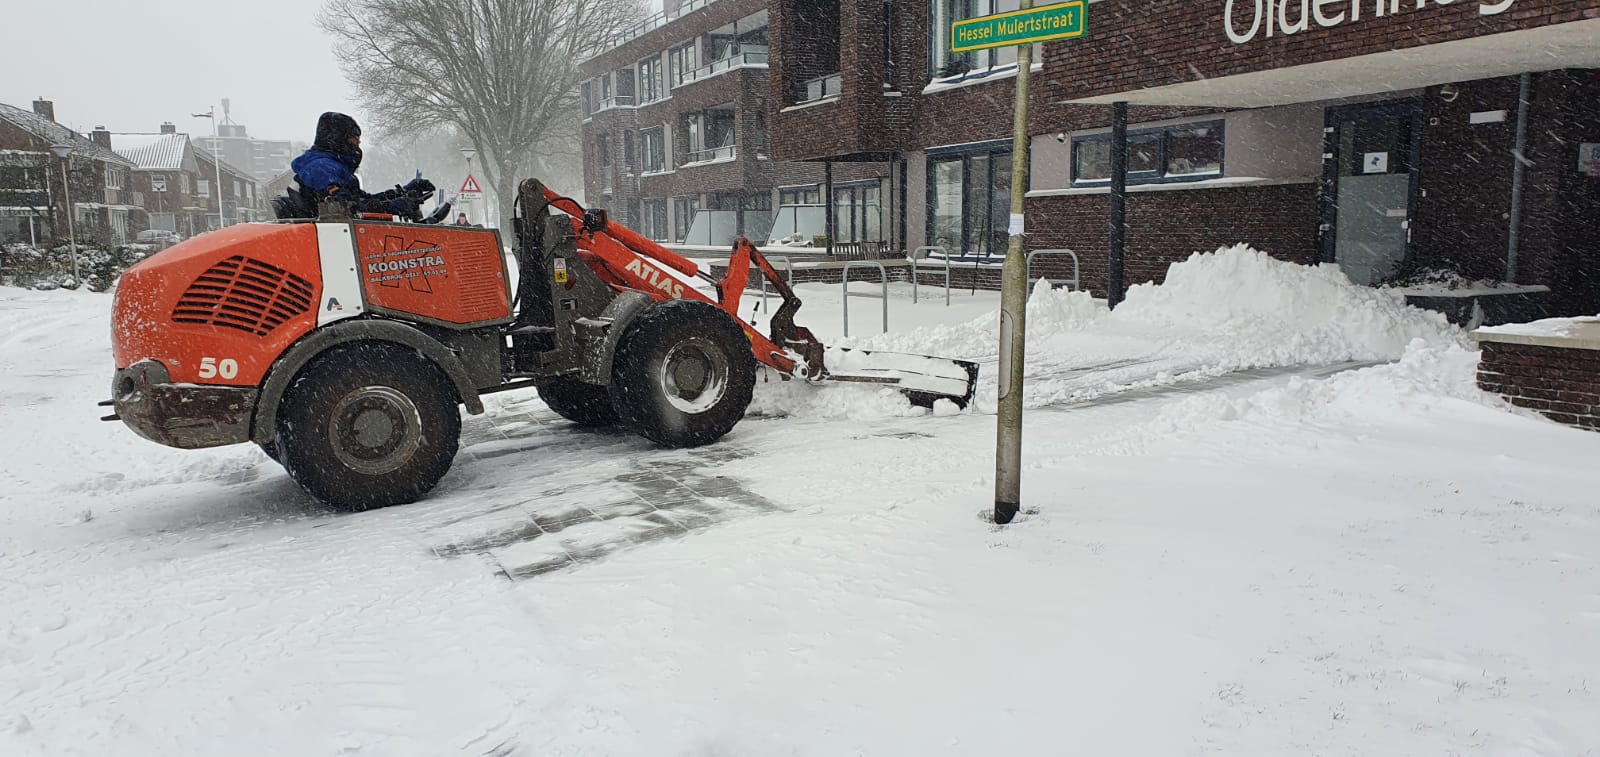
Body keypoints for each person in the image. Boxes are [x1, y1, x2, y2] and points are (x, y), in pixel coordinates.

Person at [286, 112, 432, 220]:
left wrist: (402, 193)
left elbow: (361, 200)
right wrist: (391, 207)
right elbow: (343, 210)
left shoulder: (333, 168)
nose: (358, 143)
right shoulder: (321, 169)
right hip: (337, 242)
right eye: (354, 138)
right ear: (337, 139)